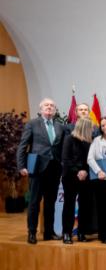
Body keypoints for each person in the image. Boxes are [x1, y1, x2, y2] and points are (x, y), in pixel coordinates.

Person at [17, 98, 66, 244]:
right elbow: (22, 146)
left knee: (51, 203)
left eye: (52, 106)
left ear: (55, 110)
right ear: (41, 109)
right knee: (34, 202)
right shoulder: (32, 124)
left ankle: (49, 233)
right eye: (46, 105)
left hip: (54, 169)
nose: (49, 107)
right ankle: (32, 232)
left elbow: (61, 147)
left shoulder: (60, 126)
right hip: (37, 169)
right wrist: (21, 166)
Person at [61, 118, 94, 244]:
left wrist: (85, 171)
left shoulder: (90, 142)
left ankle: (81, 232)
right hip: (70, 176)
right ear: (85, 128)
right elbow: (65, 159)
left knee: (85, 205)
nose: (93, 129)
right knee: (69, 205)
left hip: (86, 176)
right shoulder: (69, 139)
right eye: (91, 127)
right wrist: (78, 171)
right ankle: (67, 233)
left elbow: (90, 159)